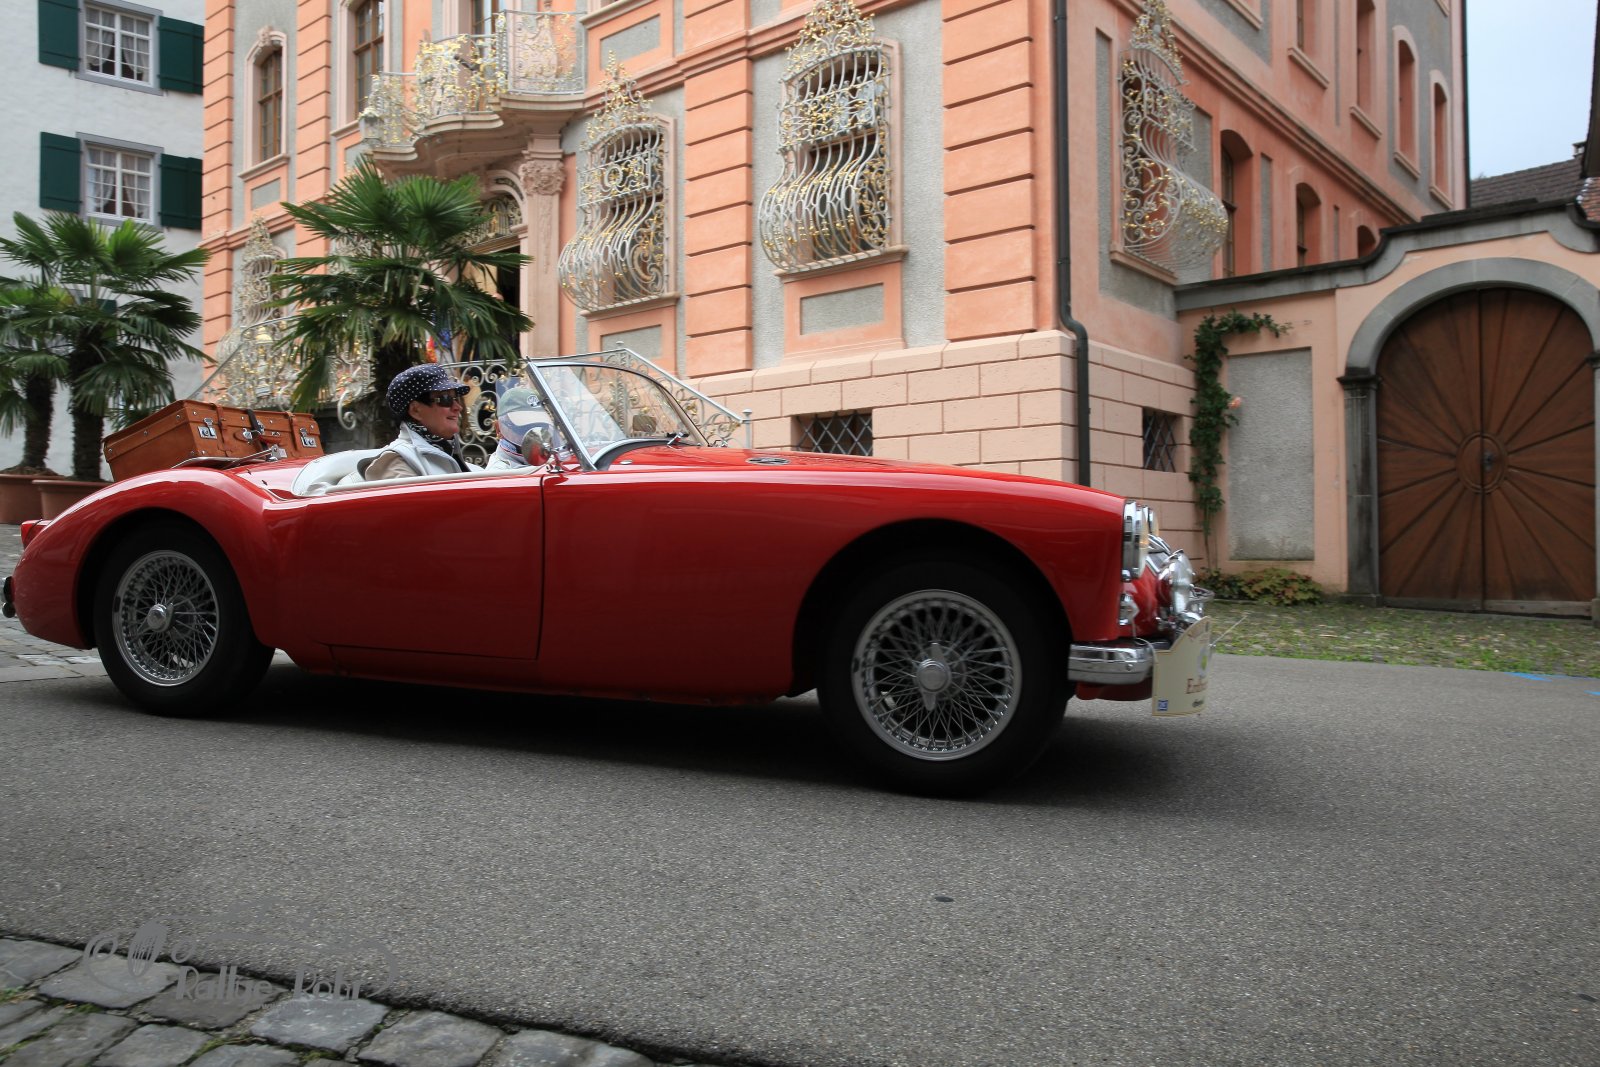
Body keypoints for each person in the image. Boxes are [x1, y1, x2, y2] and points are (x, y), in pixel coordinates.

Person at [363, 364, 482, 480]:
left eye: (456, 399)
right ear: (415, 410)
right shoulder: (397, 463)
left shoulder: (459, 461)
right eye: (446, 399)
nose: (458, 407)